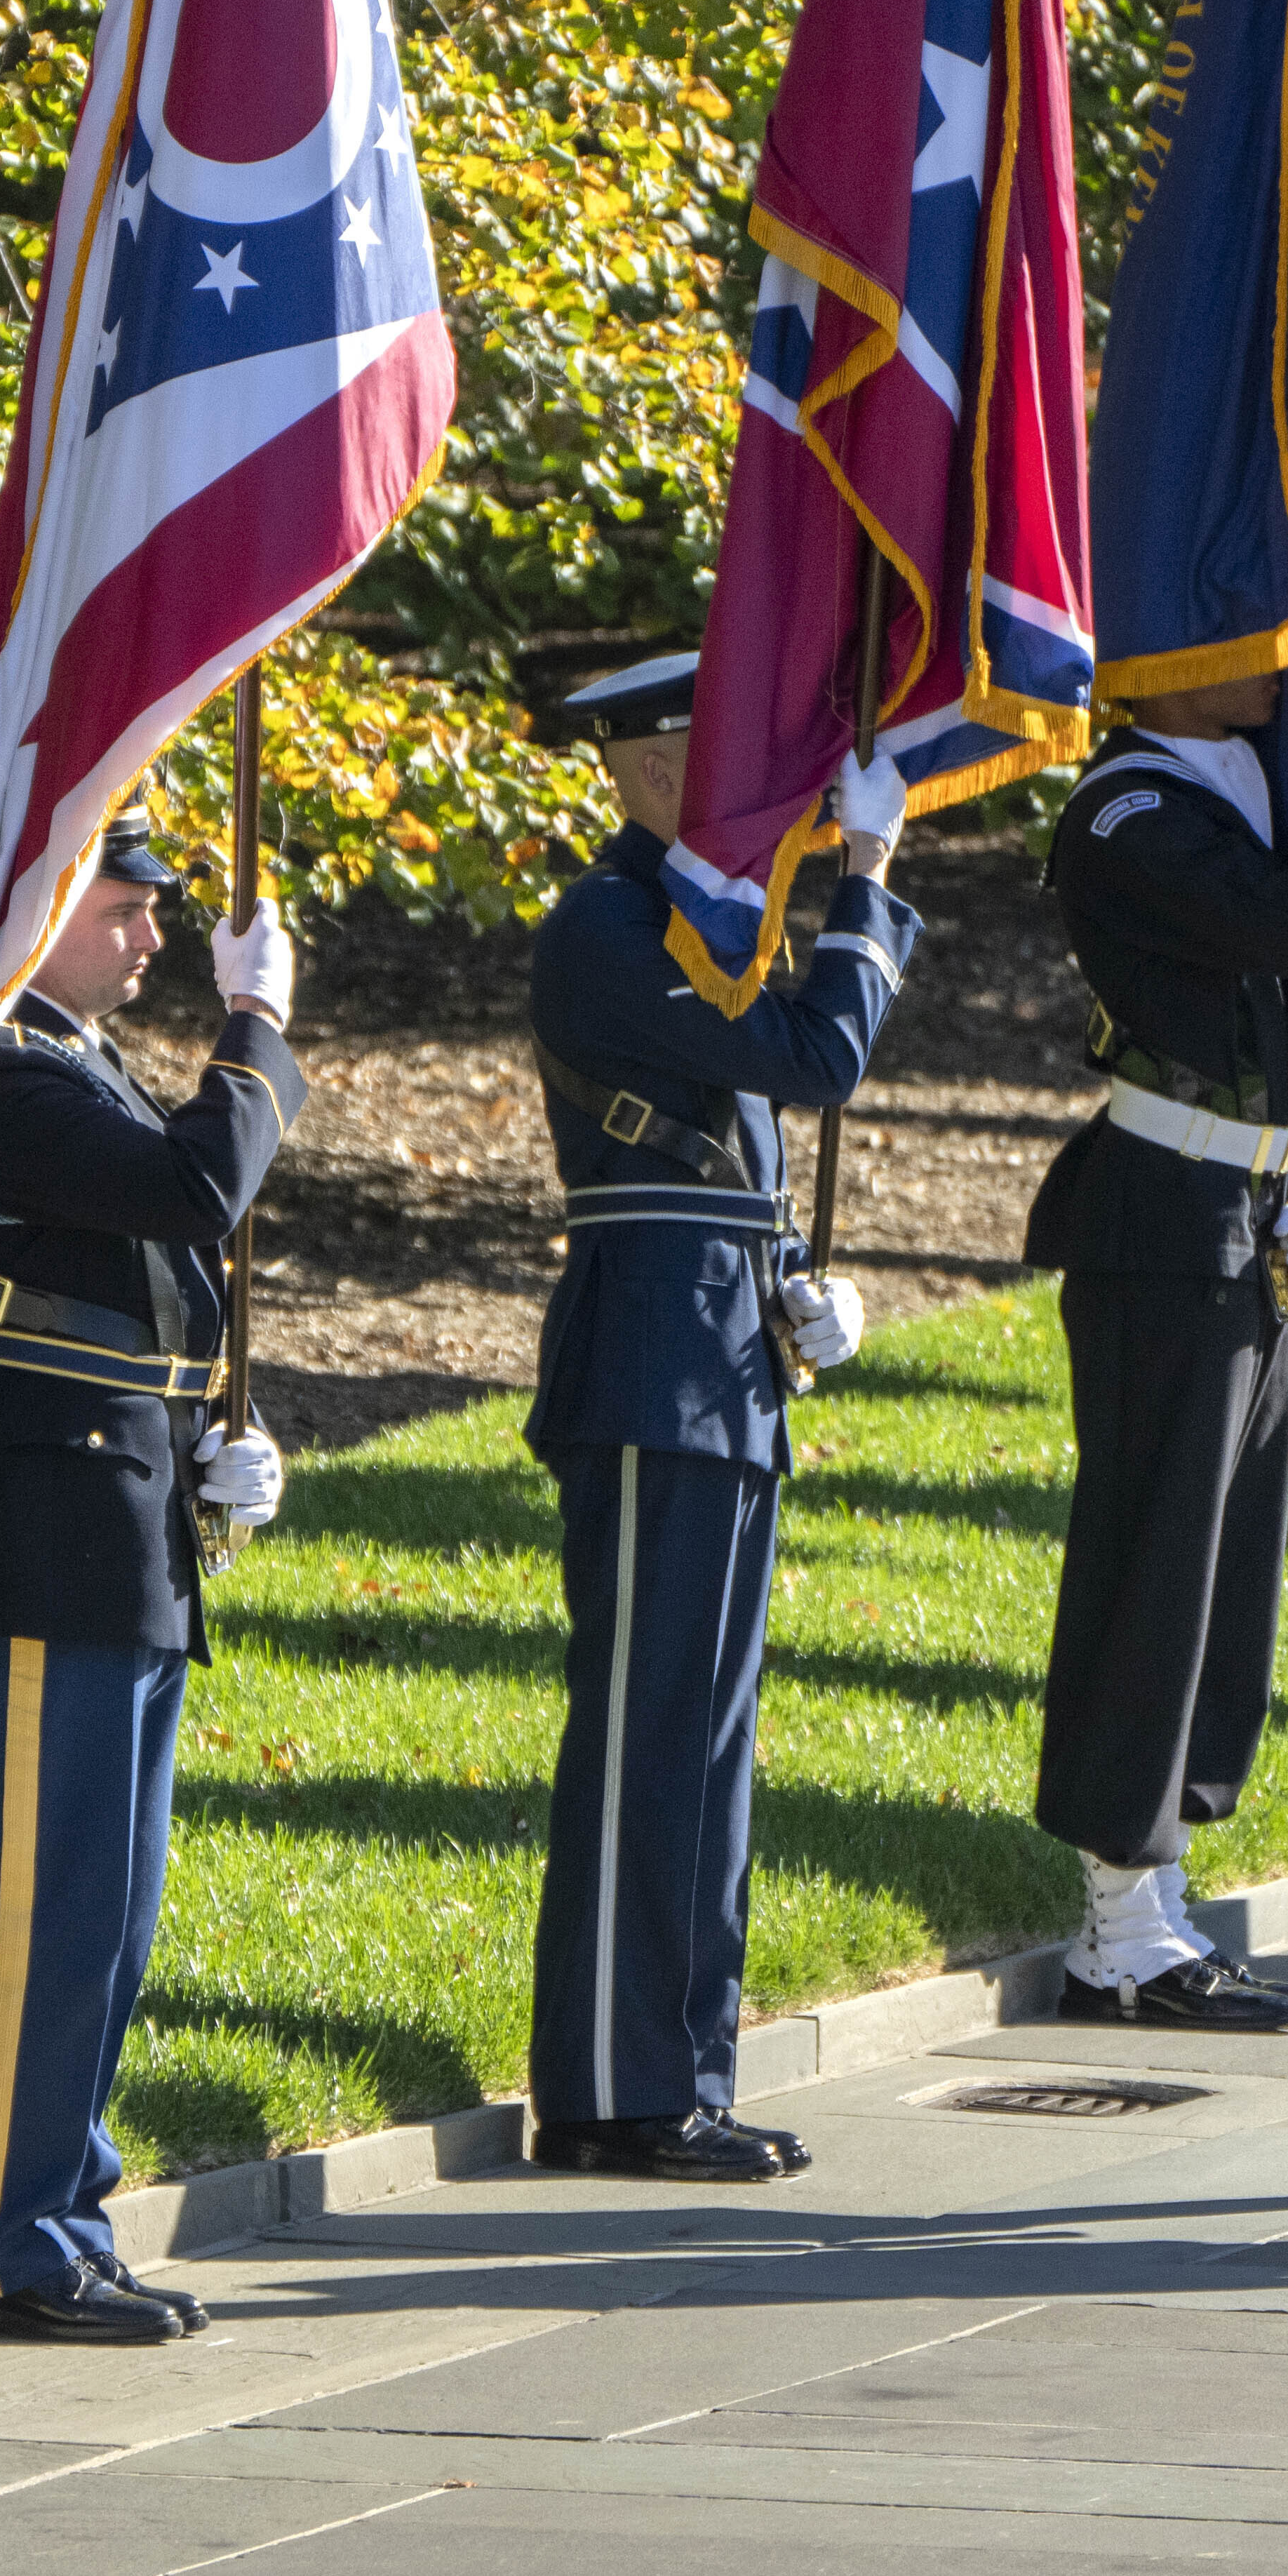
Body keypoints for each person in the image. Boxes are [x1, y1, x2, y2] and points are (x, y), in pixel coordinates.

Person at [0, 814, 301, 2336]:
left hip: (118, 1528)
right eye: (122, 905)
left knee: (110, 1915)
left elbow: (151, 1290)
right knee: (44, 1913)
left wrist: (219, 1442)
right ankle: (1, 2241)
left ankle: (63, 2201)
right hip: (40, 1534)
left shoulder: (78, 1068)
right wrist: (260, 1027)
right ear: (39, 910)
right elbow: (196, 1192)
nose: (152, 934)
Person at [518, 660, 913, 2168]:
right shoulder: (612, 929)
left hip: (723, 1359)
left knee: (711, 1745)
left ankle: (684, 2069)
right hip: (645, 1368)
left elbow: (737, 1144)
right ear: (646, 761)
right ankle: (614, 2094)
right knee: (645, 1737)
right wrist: (866, 882)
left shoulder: (714, 927)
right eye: (726, 737)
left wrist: (797, 1280)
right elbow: (814, 1057)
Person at [1027, 647, 1288, 2023]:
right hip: (1161, 1224)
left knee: (1225, 1577)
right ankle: (1117, 1928)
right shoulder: (1131, 814)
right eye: (1244, 636)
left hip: (1244, 1215)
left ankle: (1157, 1904)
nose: (1282, 660)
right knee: (1153, 1569)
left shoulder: (1230, 786)